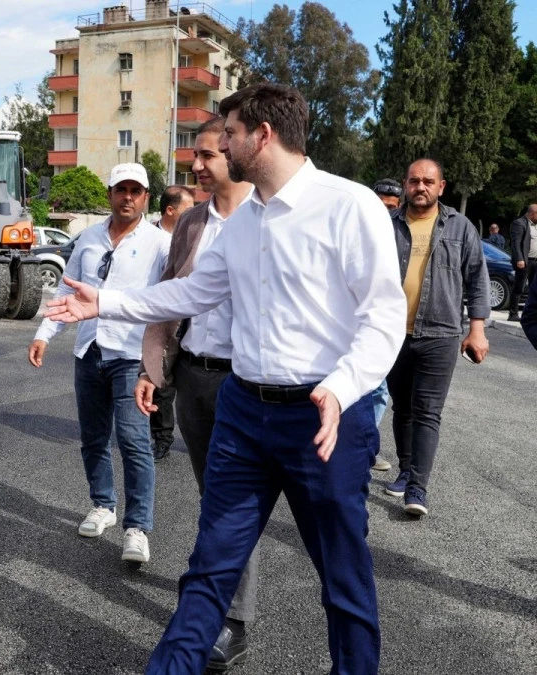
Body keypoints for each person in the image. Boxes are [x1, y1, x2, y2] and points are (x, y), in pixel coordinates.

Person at [45, 83, 406, 674]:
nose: (219, 146)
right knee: (210, 568)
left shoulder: (349, 204)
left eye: (229, 134)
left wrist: (341, 387)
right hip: (243, 413)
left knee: (343, 578)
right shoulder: (240, 225)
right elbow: (190, 292)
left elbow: (385, 318)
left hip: (325, 418)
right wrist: (104, 302)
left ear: (262, 135)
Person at [136, 116, 256, 671]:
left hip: (251, 382)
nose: (198, 166)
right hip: (196, 377)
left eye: (207, 155)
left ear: (234, 151)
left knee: (236, 506)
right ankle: (211, 602)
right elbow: (168, 295)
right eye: (196, 158)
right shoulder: (191, 224)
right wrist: (153, 369)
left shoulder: (269, 218)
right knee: (215, 499)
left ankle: (230, 619)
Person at [28, 163, 170, 563]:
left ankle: (137, 527)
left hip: (130, 356)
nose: (128, 197)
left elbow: (168, 302)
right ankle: (103, 505)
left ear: (145, 198)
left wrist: (159, 360)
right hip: (89, 352)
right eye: (121, 189)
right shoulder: (88, 239)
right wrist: (43, 334)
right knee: (93, 438)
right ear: (109, 193)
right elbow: (66, 292)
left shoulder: (159, 244)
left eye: (135, 191)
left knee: (134, 441)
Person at [383, 159, 490, 517]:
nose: (420, 187)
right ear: (405, 184)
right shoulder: (388, 225)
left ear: (441, 187)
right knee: (402, 407)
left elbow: (477, 278)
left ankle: (418, 487)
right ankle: (404, 469)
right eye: (414, 180)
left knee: (428, 412)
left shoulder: (460, 228)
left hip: (441, 334)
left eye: (428, 181)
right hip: (392, 333)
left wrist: (477, 329)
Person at [148, 185, 195, 460]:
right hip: (159, 319)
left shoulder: (193, 236)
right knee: (159, 382)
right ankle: (162, 438)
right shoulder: (150, 238)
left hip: (188, 318)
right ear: (170, 210)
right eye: (189, 209)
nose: (196, 214)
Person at [367, 179, 406, 472]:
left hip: (393, 323)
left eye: (392, 206)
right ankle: (362, 447)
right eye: (381, 204)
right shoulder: (357, 227)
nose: (387, 211)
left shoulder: (403, 234)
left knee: (381, 391)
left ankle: (366, 445)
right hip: (359, 322)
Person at [507, 204, 537, 322]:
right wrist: (519, 259)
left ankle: (531, 314)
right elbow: (516, 243)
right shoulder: (519, 223)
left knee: (534, 289)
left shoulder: (535, 225)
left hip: (536, 261)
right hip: (525, 261)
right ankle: (513, 314)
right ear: (532, 213)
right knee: (519, 288)